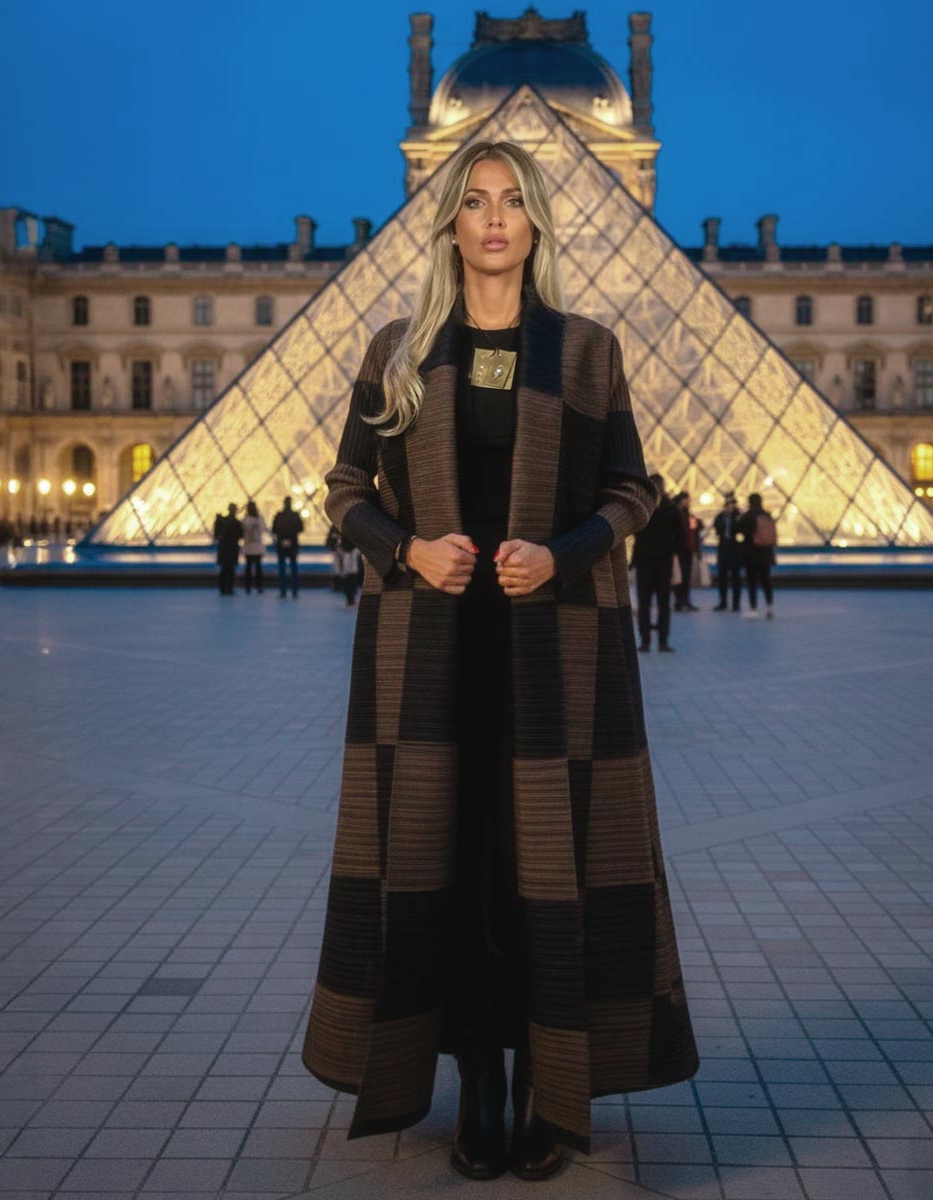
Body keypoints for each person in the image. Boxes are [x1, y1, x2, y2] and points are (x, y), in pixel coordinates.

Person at [300, 139, 699, 1181]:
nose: (492, 219)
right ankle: (476, 1076)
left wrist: (559, 556)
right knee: (454, 870)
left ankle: (540, 1084)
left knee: (541, 877)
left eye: (512, 202)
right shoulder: (397, 349)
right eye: (473, 200)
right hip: (426, 660)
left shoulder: (586, 351)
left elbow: (632, 491)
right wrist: (408, 549)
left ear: (536, 226)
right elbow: (343, 489)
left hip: (548, 650)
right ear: (449, 224)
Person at [630, 473, 676, 652]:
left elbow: (635, 533)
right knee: (664, 603)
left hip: (644, 561)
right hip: (664, 562)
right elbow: (679, 536)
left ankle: (645, 641)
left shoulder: (642, 507)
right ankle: (663, 641)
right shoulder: (671, 510)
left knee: (644, 603)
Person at [737, 492, 777, 619]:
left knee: (752, 582)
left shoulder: (747, 516)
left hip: (751, 554)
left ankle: (753, 609)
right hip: (766, 554)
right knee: (766, 581)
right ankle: (769, 606)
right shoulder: (767, 515)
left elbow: (739, 532)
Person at [712, 493, 743, 611]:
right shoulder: (720, 517)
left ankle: (736, 603)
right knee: (722, 578)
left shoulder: (739, 516)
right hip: (723, 549)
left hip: (735, 550)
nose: (730, 506)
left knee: (736, 578)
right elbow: (716, 528)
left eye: (732, 503)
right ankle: (723, 602)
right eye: (728, 504)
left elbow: (742, 529)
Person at [270, 497, 304, 598]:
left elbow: (274, 529)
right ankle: (294, 591)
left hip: (281, 544)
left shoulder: (279, 515)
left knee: (282, 569)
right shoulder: (295, 515)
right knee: (293, 567)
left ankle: (283, 591)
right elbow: (301, 528)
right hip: (293, 544)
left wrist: (282, 539)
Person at [672, 492, 699, 611]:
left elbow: (694, 531)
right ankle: (681, 600)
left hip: (686, 549)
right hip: (680, 549)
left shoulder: (690, 516)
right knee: (680, 575)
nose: (688, 502)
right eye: (686, 500)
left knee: (684, 575)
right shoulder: (677, 514)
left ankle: (683, 599)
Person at [213, 502, 243, 595]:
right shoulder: (237, 523)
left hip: (224, 548)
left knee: (224, 570)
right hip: (233, 548)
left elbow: (216, 535)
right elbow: (241, 535)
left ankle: (222, 588)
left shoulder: (222, 521)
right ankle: (229, 588)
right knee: (231, 570)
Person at [240, 500, 268, 594]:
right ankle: (258, 586)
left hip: (250, 547)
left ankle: (249, 587)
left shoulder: (246, 519)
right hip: (255, 546)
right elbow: (262, 529)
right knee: (257, 568)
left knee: (250, 568)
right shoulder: (258, 518)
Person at [339, 535, 361, 605]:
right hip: (350, 554)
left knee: (350, 578)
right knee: (351, 579)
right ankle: (351, 599)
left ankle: (350, 599)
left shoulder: (344, 533)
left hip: (348, 554)